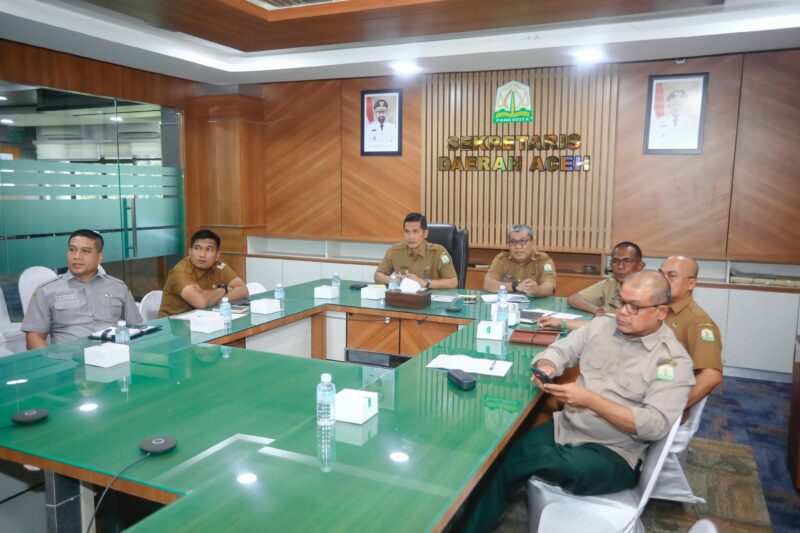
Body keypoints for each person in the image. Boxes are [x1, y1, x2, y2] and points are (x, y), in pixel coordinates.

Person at [461, 271, 694, 532]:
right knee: (501, 456)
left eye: (635, 307)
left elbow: (655, 425)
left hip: (614, 453)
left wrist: (590, 400)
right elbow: (560, 350)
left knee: (522, 459)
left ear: (661, 312)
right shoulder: (602, 325)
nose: (622, 312)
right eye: (620, 301)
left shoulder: (672, 361)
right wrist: (548, 365)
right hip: (566, 428)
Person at [22, 229, 142, 348]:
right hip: (70, 360)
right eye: (72, 250)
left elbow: (136, 328)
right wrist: (53, 364)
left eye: (85, 251)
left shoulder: (118, 287)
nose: (76, 256)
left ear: (99, 257)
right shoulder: (46, 290)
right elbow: (34, 337)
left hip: (115, 356)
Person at [659, 255, 723, 410]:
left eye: (672, 276)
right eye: (660, 275)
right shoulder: (660, 308)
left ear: (691, 283)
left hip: (665, 398)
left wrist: (675, 409)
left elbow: (711, 376)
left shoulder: (698, 321)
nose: (663, 281)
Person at [158, 229, 248, 317]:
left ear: (217, 255)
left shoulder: (218, 266)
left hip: (201, 320)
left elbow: (243, 290)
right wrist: (224, 289)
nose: (202, 254)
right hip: (172, 325)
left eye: (209, 249)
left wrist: (212, 299)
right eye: (197, 248)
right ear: (190, 252)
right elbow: (201, 303)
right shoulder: (179, 272)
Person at [374, 212, 458, 289]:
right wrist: (392, 280)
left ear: (425, 233)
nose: (410, 237)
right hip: (404, 299)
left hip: (430, 300)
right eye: (407, 232)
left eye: (416, 232)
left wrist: (424, 282)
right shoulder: (394, 251)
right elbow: (377, 275)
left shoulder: (439, 252)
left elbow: (453, 282)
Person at [566, 241, 644, 315]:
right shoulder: (611, 282)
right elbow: (573, 299)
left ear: (640, 266)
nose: (620, 266)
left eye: (627, 261)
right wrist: (597, 310)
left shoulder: (649, 290)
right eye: (615, 261)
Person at [483, 224, 556, 297]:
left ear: (532, 243)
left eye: (523, 241)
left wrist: (535, 289)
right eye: (513, 242)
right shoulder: (501, 259)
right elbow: (487, 284)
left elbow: (549, 288)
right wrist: (514, 286)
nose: (518, 246)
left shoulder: (544, 260)